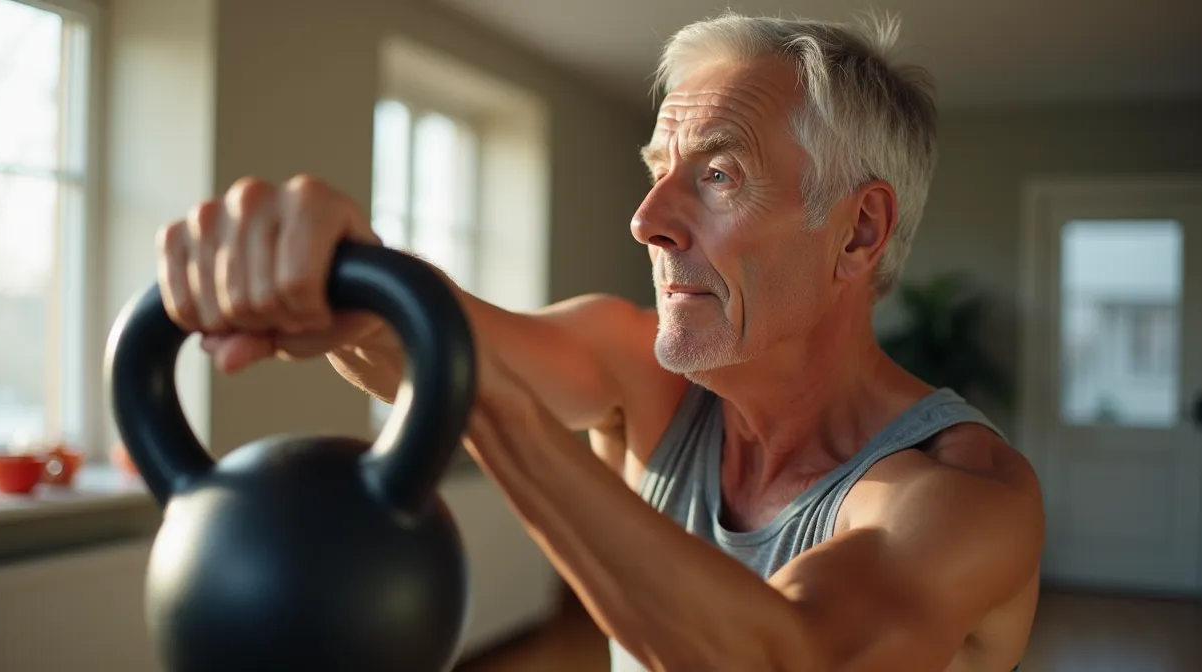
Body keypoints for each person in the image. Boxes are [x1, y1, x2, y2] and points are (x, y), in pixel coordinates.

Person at [154, 11, 1044, 672]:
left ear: (858, 232)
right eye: (658, 172)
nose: (647, 219)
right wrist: (343, 273)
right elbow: (409, 338)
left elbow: (785, 657)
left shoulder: (960, 497)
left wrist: (478, 395)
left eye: (718, 174)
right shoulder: (641, 380)